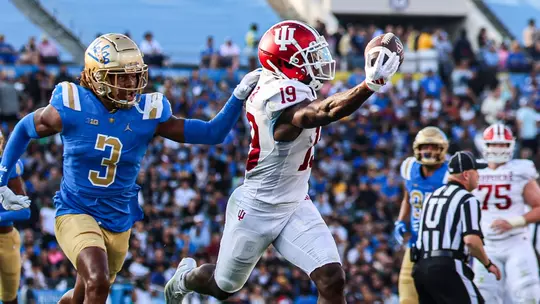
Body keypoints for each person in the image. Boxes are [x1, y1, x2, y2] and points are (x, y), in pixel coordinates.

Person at [0, 33, 261, 304]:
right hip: (76, 210)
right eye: (121, 76)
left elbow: (211, 133)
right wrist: (2, 179)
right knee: (97, 280)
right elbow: (24, 128)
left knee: (83, 293)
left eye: (135, 76)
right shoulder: (72, 105)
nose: (131, 84)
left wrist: (237, 95)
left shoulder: (147, 113)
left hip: (119, 218)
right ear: (96, 76)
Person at [164, 20, 401, 303]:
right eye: (309, 56)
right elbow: (321, 112)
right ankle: (184, 280)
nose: (317, 61)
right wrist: (368, 86)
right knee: (222, 287)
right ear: (285, 63)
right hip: (256, 208)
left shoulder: (282, 82)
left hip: (295, 202)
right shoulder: (274, 96)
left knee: (332, 278)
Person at [412, 151, 501, 304]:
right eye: (476, 171)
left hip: (420, 268)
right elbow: (471, 241)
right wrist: (488, 264)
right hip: (447, 266)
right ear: (466, 175)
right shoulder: (467, 199)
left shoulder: (430, 197)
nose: (478, 175)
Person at [471, 123, 540, 303]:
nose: (498, 148)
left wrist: (513, 222)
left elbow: (539, 207)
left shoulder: (520, 170)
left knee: (528, 294)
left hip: (516, 242)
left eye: (502, 144)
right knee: (484, 297)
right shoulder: (473, 171)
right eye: (494, 144)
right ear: (485, 145)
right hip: (485, 246)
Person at [394, 126, 450, 304]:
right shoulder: (409, 167)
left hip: (443, 246)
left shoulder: (451, 173)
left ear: (442, 148)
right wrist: (400, 221)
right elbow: (407, 198)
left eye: (433, 147)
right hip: (416, 244)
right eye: (425, 146)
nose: (429, 151)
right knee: (407, 297)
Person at [0, 130, 31, 304]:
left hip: (6, 237)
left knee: (10, 297)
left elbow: (25, 210)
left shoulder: (8, 168)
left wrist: (0, 217)